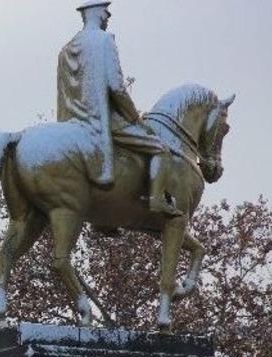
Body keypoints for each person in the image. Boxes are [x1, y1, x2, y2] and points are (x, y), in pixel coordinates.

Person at [57, 0, 182, 216]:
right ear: (97, 13)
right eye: (106, 12)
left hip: (72, 122)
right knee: (160, 148)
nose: (108, 16)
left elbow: (63, 91)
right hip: (103, 119)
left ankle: (101, 219)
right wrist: (135, 119)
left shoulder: (66, 48)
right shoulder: (104, 40)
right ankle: (156, 200)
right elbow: (116, 88)